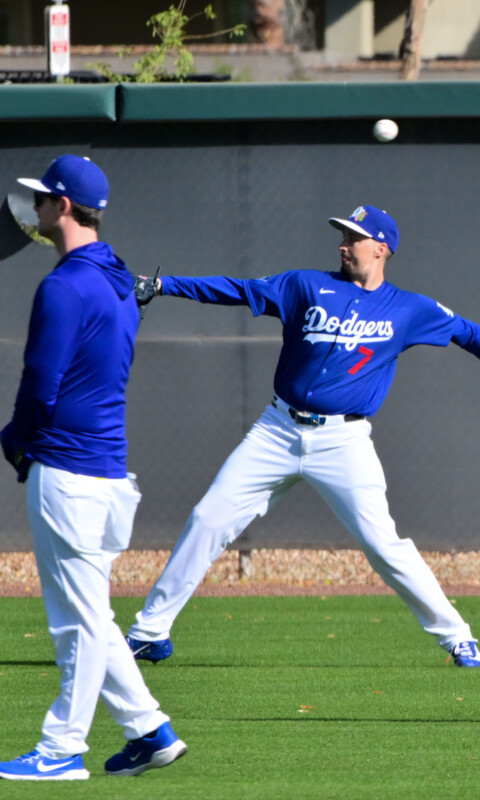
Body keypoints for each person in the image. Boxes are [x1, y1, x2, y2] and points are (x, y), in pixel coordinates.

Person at [125, 204, 480, 669]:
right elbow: (238, 289)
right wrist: (166, 286)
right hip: (277, 431)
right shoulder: (305, 285)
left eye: (354, 236)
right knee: (208, 519)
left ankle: (457, 637)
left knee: (382, 545)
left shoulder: (407, 309)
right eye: (343, 235)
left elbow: (469, 333)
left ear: (381, 247)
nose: (343, 244)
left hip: (343, 442)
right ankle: (150, 632)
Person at [0, 156, 186, 781]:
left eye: (42, 198)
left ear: (63, 208)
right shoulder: (117, 279)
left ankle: (61, 751)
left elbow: (42, 381)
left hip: (69, 473)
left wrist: (16, 439)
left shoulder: (64, 285)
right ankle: (150, 731)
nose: (35, 208)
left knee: (76, 621)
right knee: (93, 615)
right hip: (108, 478)